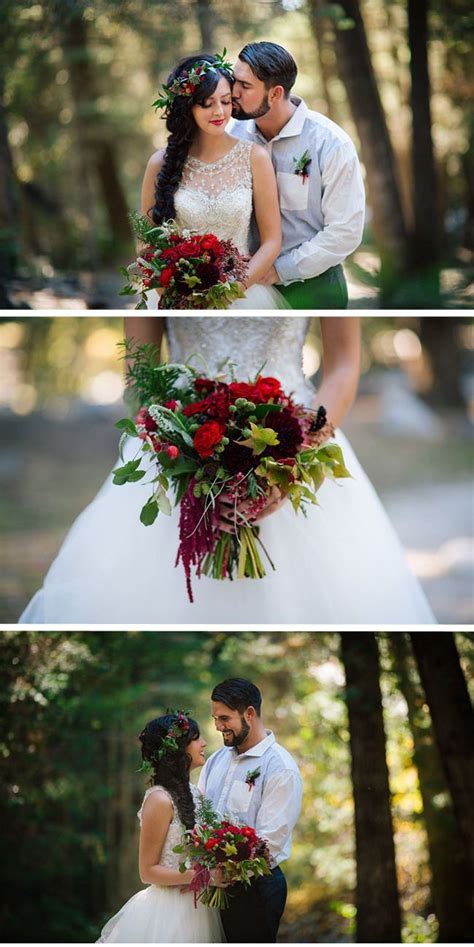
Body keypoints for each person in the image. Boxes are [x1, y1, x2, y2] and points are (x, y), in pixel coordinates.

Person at [20, 316, 435, 624]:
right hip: (179, 444)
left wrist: (296, 454)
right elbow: (139, 377)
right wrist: (185, 456)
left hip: (297, 433)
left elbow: (344, 364)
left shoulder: (316, 237)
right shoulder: (162, 255)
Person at [140, 52, 288, 309]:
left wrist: (227, 292)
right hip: (177, 297)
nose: (219, 112)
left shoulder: (255, 157)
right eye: (207, 103)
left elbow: (272, 241)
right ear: (188, 106)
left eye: (226, 101)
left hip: (242, 294)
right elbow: (146, 243)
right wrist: (176, 293)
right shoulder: (159, 163)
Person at [231, 41, 365, 308]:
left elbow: (345, 230)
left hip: (314, 287)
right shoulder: (230, 136)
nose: (233, 92)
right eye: (235, 81)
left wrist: (279, 270)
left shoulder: (330, 143)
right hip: (243, 290)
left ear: (275, 94)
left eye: (245, 86)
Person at [98, 712, 224, 943]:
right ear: (178, 748)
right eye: (195, 738)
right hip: (168, 911)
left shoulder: (195, 793)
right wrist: (202, 877)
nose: (203, 743)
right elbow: (147, 871)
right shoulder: (160, 799)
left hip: (199, 907)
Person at [198, 678, 302, 943]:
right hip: (211, 884)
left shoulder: (279, 767)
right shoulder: (215, 761)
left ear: (250, 714)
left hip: (256, 890)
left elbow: (272, 841)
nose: (218, 726)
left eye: (224, 718)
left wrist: (227, 871)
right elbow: (200, 814)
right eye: (215, 718)